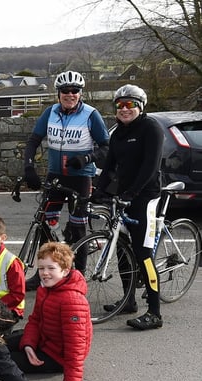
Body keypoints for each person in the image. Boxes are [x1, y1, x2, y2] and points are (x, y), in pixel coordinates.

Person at [22, 70, 110, 290]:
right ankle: (44, 273)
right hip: (55, 176)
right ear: (58, 93)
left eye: (75, 91)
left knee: (78, 227)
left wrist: (87, 158)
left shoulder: (91, 114)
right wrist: (29, 167)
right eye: (65, 91)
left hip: (80, 177)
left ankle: (76, 278)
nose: (70, 94)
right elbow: (33, 141)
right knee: (44, 223)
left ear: (80, 93)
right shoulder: (50, 112)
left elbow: (107, 148)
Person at [93, 84, 164, 330]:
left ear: (140, 107)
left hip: (146, 196)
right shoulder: (118, 134)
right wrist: (97, 193)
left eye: (130, 104)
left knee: (143, 254)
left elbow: (150, 167)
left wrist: (133, 194)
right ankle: (128, 301)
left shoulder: (151, 128)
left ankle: (154, 312)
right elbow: (110, 166)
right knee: (122, 247)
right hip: (123, 195)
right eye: (120, 105)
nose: (124, 109)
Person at [7, 242, 92, 381]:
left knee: (3, 360)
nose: (45, 273)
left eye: (51, 268)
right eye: (41, 268)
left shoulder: (72, 300)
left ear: (65, 271)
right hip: (45, 341)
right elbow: (35, 321)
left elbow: (76, 343)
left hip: (58, 356)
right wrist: (28, 345)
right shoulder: (45, 289)